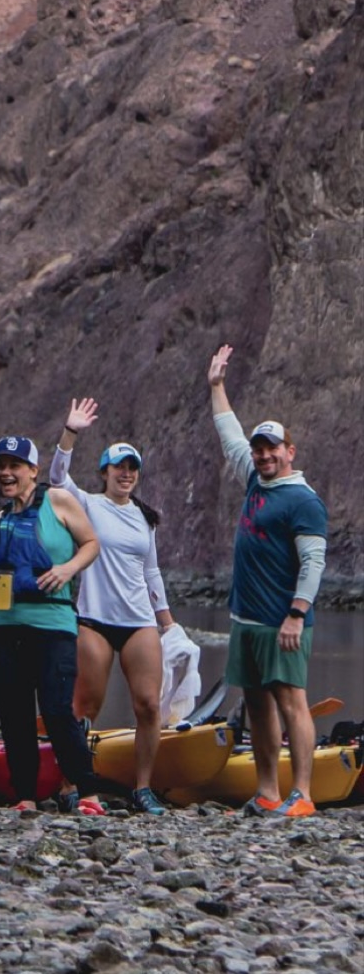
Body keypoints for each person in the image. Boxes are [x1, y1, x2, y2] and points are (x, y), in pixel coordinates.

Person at [208, 344, 328, 819]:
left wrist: (297, 614)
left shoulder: (303, 500)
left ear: (289, 452)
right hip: (247, 618)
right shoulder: (255, 479)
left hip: (284, 621)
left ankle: (302, 794)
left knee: (291, 702)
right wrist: (216, 386)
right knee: (256, 705)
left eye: (272, 449)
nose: (262, 455)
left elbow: (313, 563)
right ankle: (266, 791)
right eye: (259, 450)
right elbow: (229, 434)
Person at [0, 434, 102, 814]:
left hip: (53, 623)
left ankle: (87, 791)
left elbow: (91, 544)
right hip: (5, 625)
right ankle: (25, 795)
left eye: (15, 466)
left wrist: (66, 568)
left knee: (55, 709)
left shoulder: (58, 501)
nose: (6, 473)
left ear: (33, 470)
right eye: (1, 466)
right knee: (15, 713)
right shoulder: (2, 517)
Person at [48, 397, 176, 815]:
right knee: (85, 705)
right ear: (104, 471)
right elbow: (55, 477)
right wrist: (70, 432)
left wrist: (167, 621)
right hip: (95, 619)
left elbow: (152, 572)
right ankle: (72, 784)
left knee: (149, 704)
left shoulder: (145, 518)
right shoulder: (87, 503)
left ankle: (143, 789)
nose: (126, 474)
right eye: (119, 467)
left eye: (132, 468)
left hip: (139, 620)